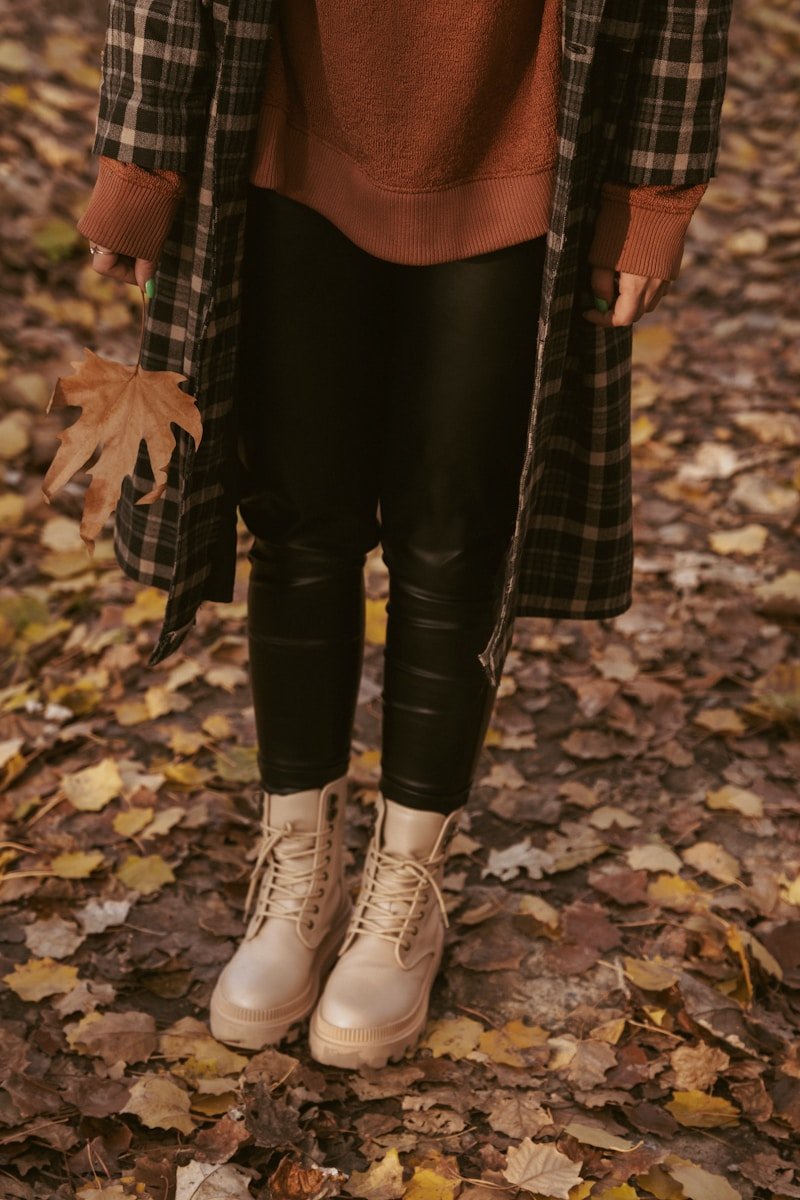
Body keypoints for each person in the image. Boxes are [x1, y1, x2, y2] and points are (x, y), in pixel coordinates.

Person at [76, 0, 733, 1069]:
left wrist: (653, 195)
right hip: (289, 112)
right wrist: (142, 158)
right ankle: (300, 876)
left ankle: (402, 893)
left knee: (455, 536)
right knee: (298, 523)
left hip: (519, 129)